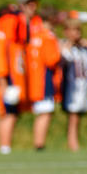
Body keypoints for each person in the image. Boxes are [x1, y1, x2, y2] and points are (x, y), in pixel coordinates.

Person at [0, 6, 28, 155]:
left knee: (10, 113)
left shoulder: (11, 38)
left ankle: (5, 145)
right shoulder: (0, 36)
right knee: (8, 113)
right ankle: (5, 146)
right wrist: (3, 83)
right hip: (6, 81)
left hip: (12, 80)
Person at [25, 8, 61, 151]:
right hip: (44, 78)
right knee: (45, 111)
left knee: (42, 111)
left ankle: (38, 142)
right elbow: (51, 59)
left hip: (33, 77)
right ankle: (39, 144)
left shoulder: (35, 34)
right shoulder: (48, 36)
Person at [60, 19, 87, 152]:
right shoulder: (65, 46)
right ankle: (73, 143)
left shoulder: (84, 49)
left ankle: (75, 141)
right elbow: (65, 57)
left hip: (84, 85)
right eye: (73, 30)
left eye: (78, 30)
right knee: (73, 115)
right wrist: (69, 43)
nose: (77, 33)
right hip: (72, 86)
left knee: (79, 115)